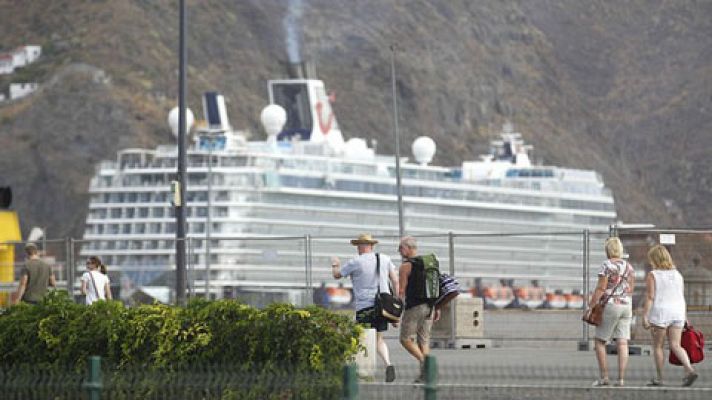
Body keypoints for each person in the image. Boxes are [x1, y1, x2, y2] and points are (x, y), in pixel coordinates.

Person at [331, 233, 399, 383]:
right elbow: (395, 280)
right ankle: (388, 364)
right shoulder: (385, 258)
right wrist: (396, 300)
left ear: (360, 246)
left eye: (358, 245)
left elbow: (337, 275)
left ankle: (363, 372)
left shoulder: (356, 261)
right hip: (383, 306)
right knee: (379, 339)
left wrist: (335, 264)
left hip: (364, 306)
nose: (357, 248)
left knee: (360, 337)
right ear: (372, 246)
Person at [642, 244, 698, 387]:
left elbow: (650, 297)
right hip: (678, 311)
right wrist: (685, 316)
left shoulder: (653, 275)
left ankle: (660, 379)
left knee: (658, 346)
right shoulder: (678, 274)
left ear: (654, 259)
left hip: (660, 312)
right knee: (676, 345)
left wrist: (645, 316)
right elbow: (681, 295)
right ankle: (690, 370)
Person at [588, 237, 634, 387]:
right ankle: (621, 379)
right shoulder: (629, 266)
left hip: (611, 305)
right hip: (626, 305)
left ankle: (605, 378)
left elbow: (601, 288)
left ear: (607, 250)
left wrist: (592, 304)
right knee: (622, 342)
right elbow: (630, 289)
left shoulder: (606, 265)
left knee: (600, 341)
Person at [397, 236, 440, 383]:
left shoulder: (406, 266)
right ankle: (426, 375)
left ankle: (425, 363)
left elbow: (401, 291)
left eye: (401, 248)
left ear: (408, 248)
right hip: (430, 306)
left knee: (405, 339)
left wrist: (396, 312)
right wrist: (436, 306)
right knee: (423, 341)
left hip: (415, 307)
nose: (399, 251)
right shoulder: (428, 264)